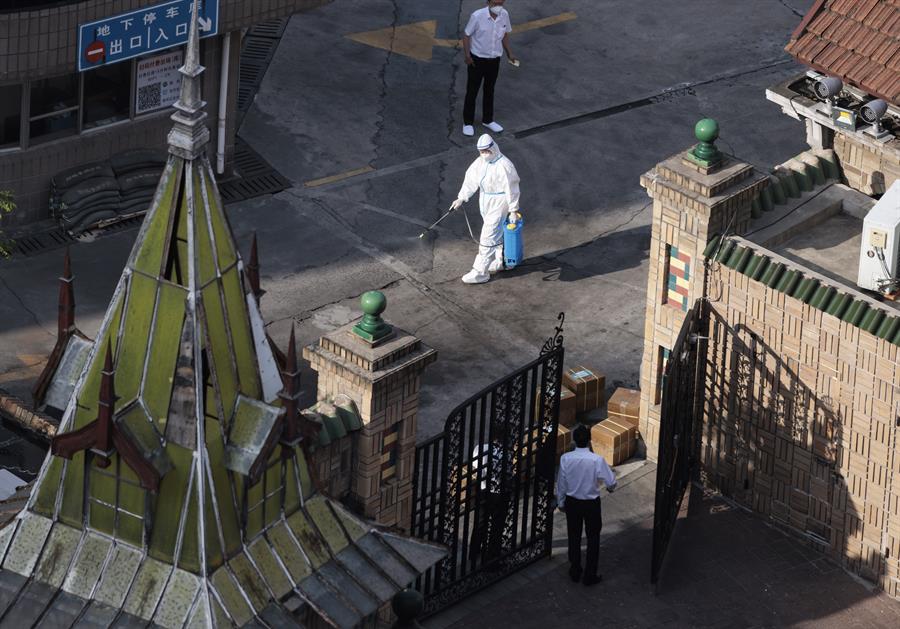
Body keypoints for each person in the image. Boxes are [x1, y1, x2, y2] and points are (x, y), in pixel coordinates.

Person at [451, 134, 520, 284]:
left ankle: (480, 272)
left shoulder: (504, 165)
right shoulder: (480, 162)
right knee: (498, 233)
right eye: (481, 151)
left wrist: (513, 209)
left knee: (488, 236)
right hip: (486, 200)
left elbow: (512, 188)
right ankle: (502, 261)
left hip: (500, 201)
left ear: (493, 148)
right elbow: (470, 179)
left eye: (486, 151)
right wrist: (461, 197)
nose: (484, 154)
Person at [556, 424, 617, 586]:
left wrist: (561, 502)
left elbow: (561, 483)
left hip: (573, 502)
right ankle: (590, 574)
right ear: (590, 440)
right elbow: (611, 481)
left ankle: (575, 569)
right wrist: (610, 488)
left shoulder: (566, 459)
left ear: (574, 441)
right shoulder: (597, 460)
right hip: (591, 503)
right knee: (593, 537)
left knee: (574, 536)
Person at [461, 0, 517, 137]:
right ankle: (467, 123)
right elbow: (466, 35)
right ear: (488, 2)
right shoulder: (477, 16)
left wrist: (509, 53)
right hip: (477, 60)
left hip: (494, 60)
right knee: (472, 91)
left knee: (489, 90)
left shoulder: (504, 15)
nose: (498, 6)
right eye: (495, 2)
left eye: (501, 3)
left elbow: (505, 34)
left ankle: (488, 120)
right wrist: (467, 55)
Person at [468, 433, 508, 566]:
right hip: (497, 493)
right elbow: (507, 473)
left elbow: (474, 467)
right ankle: (491, 557)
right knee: (496, 526)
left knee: (480, 523)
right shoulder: (505, 453)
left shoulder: (479, 449)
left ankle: (474, 552)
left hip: (483, 490)